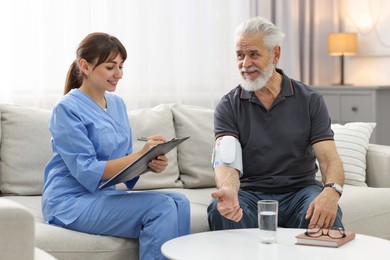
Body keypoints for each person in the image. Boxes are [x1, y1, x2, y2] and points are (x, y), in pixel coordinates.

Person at [42, 32, 190, 260]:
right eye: (111, 67)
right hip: (69, 202)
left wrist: (147, 162)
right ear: (85, 66)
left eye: (121, 66)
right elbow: (88, 170)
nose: (119, 74)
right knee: (161, 207)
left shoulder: (118, 104)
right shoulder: (66, 109)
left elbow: (121, 163)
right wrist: (140, 154)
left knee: (180, 202)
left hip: (102, 195)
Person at [207, 17, 345, 231]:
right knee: (220, 210)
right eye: (240, 55)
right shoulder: (228, 105)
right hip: (249, 194)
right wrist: (229, 190)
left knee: (323, 212)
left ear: (276, 54)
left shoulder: (310, 100)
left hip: (300, 191)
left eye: (254, 54)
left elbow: (329, 159)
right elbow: (227, 162)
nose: (245, 64)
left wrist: (331, 192)